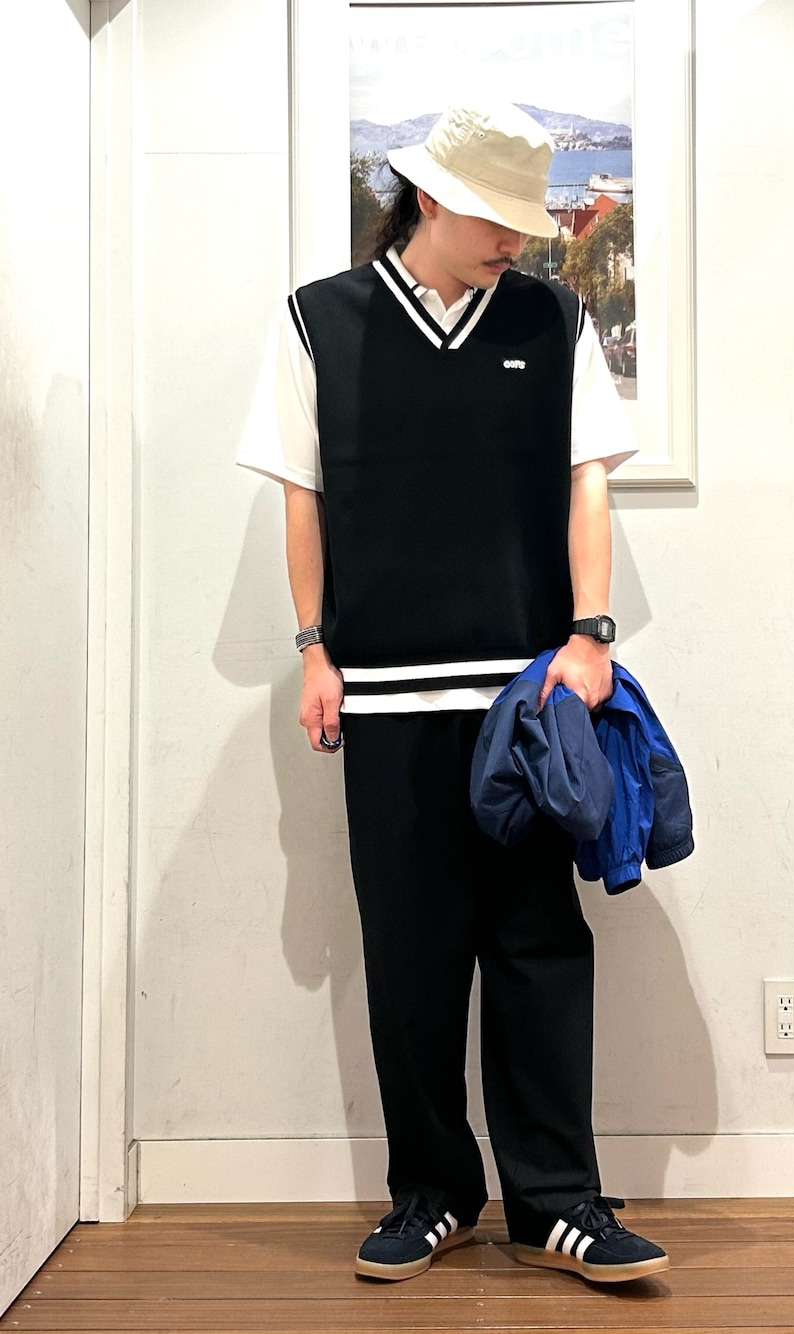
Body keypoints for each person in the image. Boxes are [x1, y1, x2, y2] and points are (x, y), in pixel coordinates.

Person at [238, 101, 669, 1284]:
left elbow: (588, 481)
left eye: (524, 219)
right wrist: (313, 648)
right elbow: (302, 497)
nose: (515, 241)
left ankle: (558, 1202)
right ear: (429, 197)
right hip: (384, 694)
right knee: (411, 953)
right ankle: (430, 1191)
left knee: (539, 944)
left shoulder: (552, 318)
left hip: (526, 700)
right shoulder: (319, 322)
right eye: (495, 216)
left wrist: (589, 634)